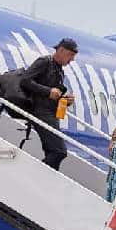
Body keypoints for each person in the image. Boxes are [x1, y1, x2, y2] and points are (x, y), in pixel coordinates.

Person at [20, 38, 78, 170]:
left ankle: (46, 183)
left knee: (52, 152)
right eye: (70, 55)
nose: (72, 60)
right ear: (61, 50)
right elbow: (25, 80)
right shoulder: (44, 62)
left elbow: (53, 94)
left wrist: (65, 100)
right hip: (41, 112)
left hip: (52, 114)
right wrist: (48, 91)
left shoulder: (60, 70)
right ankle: (36, 174)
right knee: (60, 152)